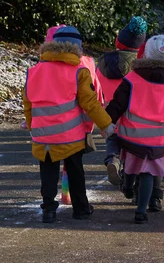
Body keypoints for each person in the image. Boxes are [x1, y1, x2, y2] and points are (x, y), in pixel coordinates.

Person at [23, 26, 115, 223]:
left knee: (47, 171)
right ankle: (81, 209)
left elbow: (28, 104)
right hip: (70, 135)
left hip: (43, 135)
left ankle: (48, 209)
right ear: (77, 49)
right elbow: (90, 104)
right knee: (75, 171)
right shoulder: (79, 72)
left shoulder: (33, 72)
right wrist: (106, 124)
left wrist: (32, 127)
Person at [105, 35, 164, 224]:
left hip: (131, 135)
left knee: (131, 164)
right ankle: (141, 211)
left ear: (146, 54)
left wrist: (107, 122)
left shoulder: (132, 79)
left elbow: (118, 103)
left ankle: (127, 186)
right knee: (148, 173)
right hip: (158, 139)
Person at [95, 16, 148, 185]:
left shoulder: (102, 63)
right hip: (136, 113)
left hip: (111, 111)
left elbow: (96, 89)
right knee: (135, 147)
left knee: (113, 138)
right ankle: (132, 183)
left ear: (118, 41)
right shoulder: (143, 66)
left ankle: (113, 160)